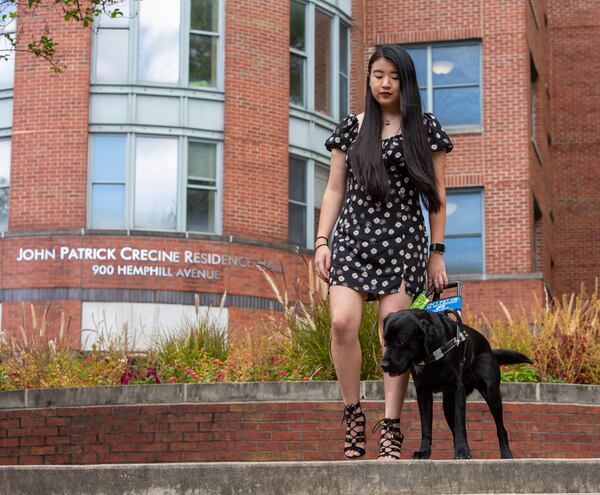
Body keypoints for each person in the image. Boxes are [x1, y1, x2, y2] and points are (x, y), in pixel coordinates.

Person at [314, 44, 453, 460]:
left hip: (403, 242)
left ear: (405, 81)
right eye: (378, 75)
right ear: (369, 78)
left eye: (393, 76)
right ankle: (353, 415)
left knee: (392, 333)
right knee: (341, 322)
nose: (385, 83)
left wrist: (437, 251)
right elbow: (335, 188)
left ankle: (391, 429)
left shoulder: (424, 129)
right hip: (354, 240)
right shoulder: (351, 128)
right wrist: (322, 240)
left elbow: (438, 194)